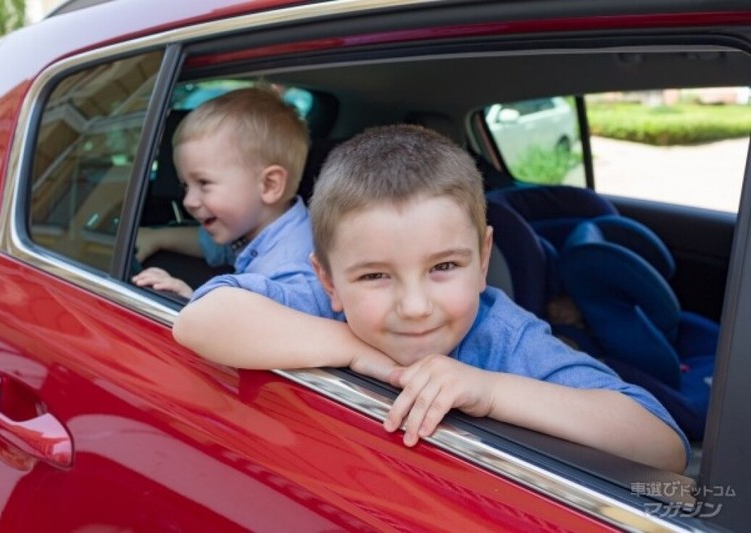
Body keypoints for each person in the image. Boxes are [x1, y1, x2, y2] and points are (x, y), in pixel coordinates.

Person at [174, 124, 688, 473]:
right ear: (329, 281)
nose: (416, 306)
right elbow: (200, 319)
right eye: (376, 275)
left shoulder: (501, 334)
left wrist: (489, 390)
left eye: (443, 267)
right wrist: (351, 349)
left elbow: (663, 448)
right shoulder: (320, 301)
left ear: (483, 260)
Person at [132, 86, 313, 298]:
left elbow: (261, 330)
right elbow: (217, 246)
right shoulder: (260, 227)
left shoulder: (287, 274)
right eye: (185, 186)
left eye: (204, 182)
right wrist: (158, 237)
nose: (188, 201)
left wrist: (190, 299)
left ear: (269, 185)